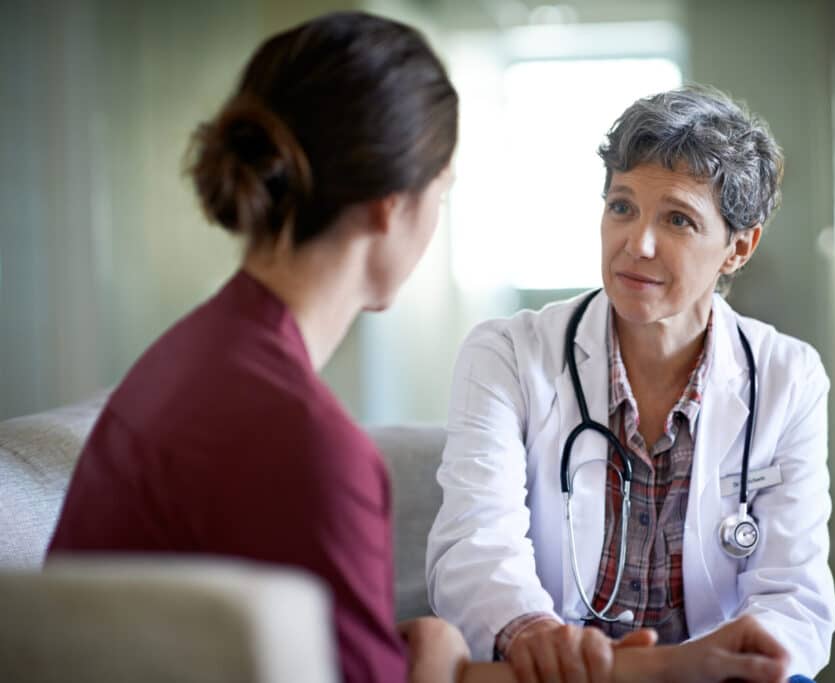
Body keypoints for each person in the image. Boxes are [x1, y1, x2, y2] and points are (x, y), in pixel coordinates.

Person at [46, 13, 789, 683]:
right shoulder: (305, 447)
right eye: (444, 189)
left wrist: (437, 653)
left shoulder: (195, 356)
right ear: (390, 206)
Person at [426, 85, 835, 682]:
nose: (636, 244)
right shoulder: (508, 356)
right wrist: (534, 633)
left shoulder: (788, 377)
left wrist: (753, 662)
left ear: (738, 248)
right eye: (622, 206)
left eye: (677, 219)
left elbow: (792, 594)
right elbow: (473, 547)